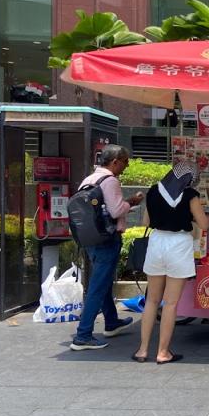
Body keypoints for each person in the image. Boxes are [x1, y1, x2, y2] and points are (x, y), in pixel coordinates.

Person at [134, 161, 209, 364]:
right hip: (179, 245)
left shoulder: (153, 190)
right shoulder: (190, 195)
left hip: (157, 243)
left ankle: (142, 350)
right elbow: (204, 224)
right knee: (171, 303)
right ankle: (162, 352)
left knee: (151, 301)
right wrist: (186, 219)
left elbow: (145, 222)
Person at [70, 145, 143, 351]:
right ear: (115, 162)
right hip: (107, 240)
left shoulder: (89, 180)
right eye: (125, 162)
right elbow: (116, 209)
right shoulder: (110, 181)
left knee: (102, 283)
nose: (126, 166)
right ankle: (83, 335)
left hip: (91, 239)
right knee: (98, 287)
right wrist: (133, 201)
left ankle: (111, 322)